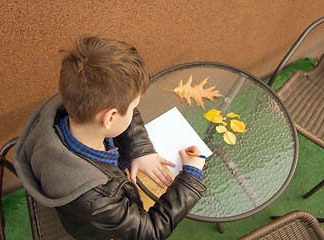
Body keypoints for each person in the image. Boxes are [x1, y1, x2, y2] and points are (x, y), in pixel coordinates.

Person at [13, 35, 207, 240]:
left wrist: (140, 149)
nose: (134, 112)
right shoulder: (97, 197)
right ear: (110, 117)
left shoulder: (73, 103)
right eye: (133, 108)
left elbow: (121, 109)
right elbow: (151, 232)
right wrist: (190, 177)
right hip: (96, 231)